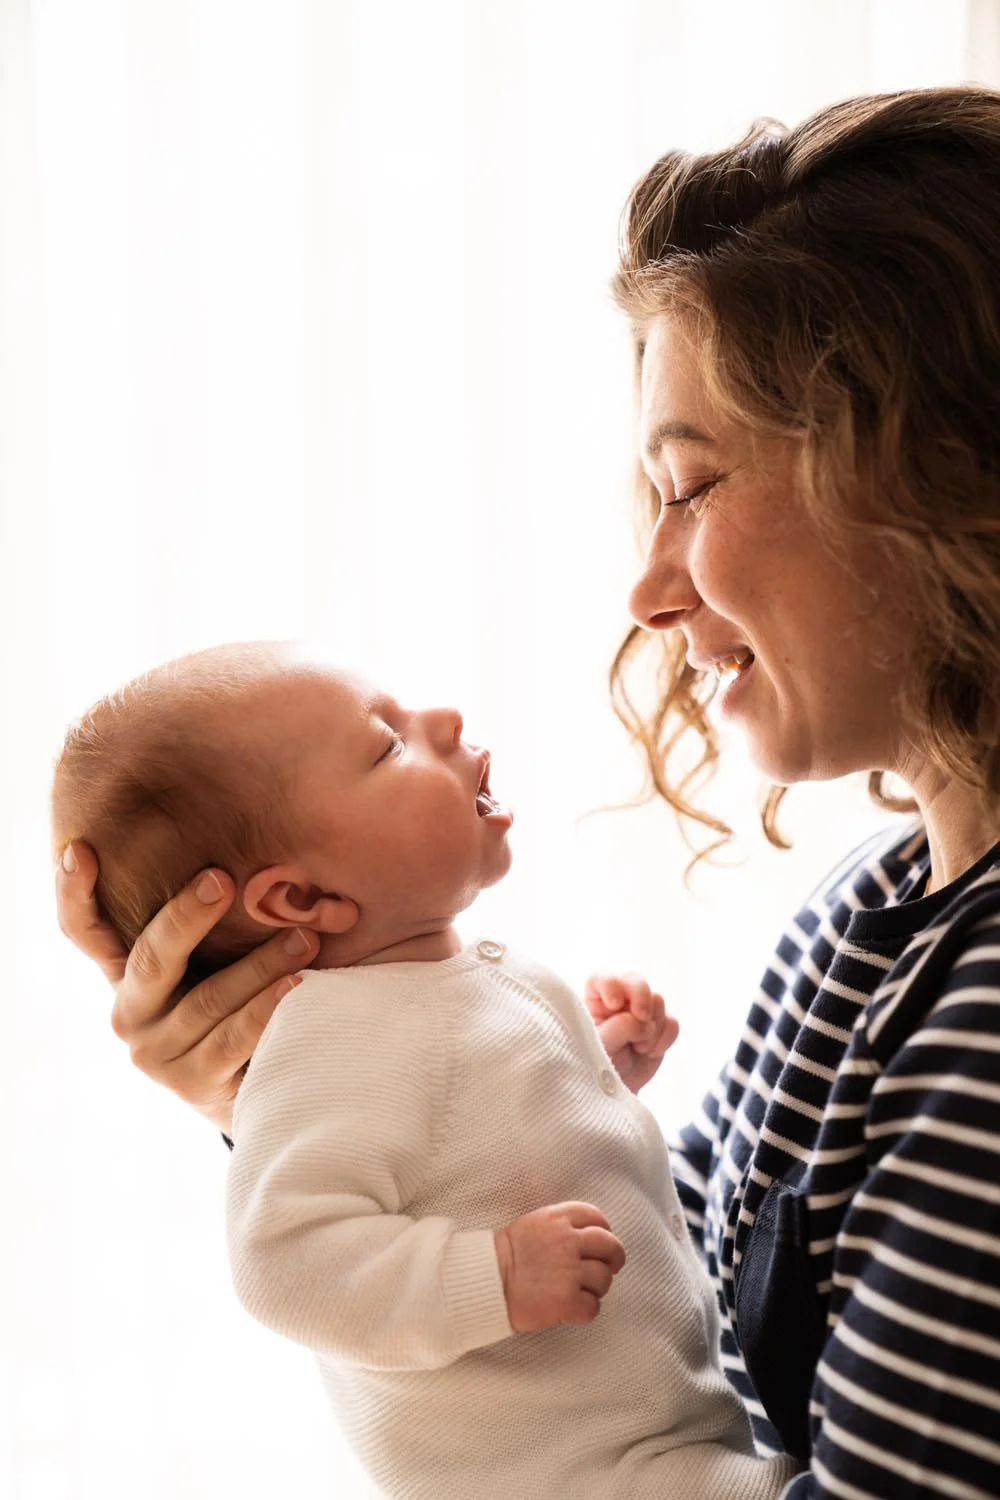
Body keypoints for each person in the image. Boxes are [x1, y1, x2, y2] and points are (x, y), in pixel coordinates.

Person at [55, 84, 1000, 1498]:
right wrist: (294, 1103)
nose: (646, 586)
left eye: (693, 485)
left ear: (941, 476)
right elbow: (656, 1292)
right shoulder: (862, 916)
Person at [51, 644, 795, 1500]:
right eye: (387, 745)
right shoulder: (332, 1042)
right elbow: (283, 1261)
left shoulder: (449, 983)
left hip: (661, 1432)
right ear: (297, 902)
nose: (443, 722)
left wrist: (590, 1069)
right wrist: (496, 1276)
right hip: (566, 1474)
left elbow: (472, 1151)